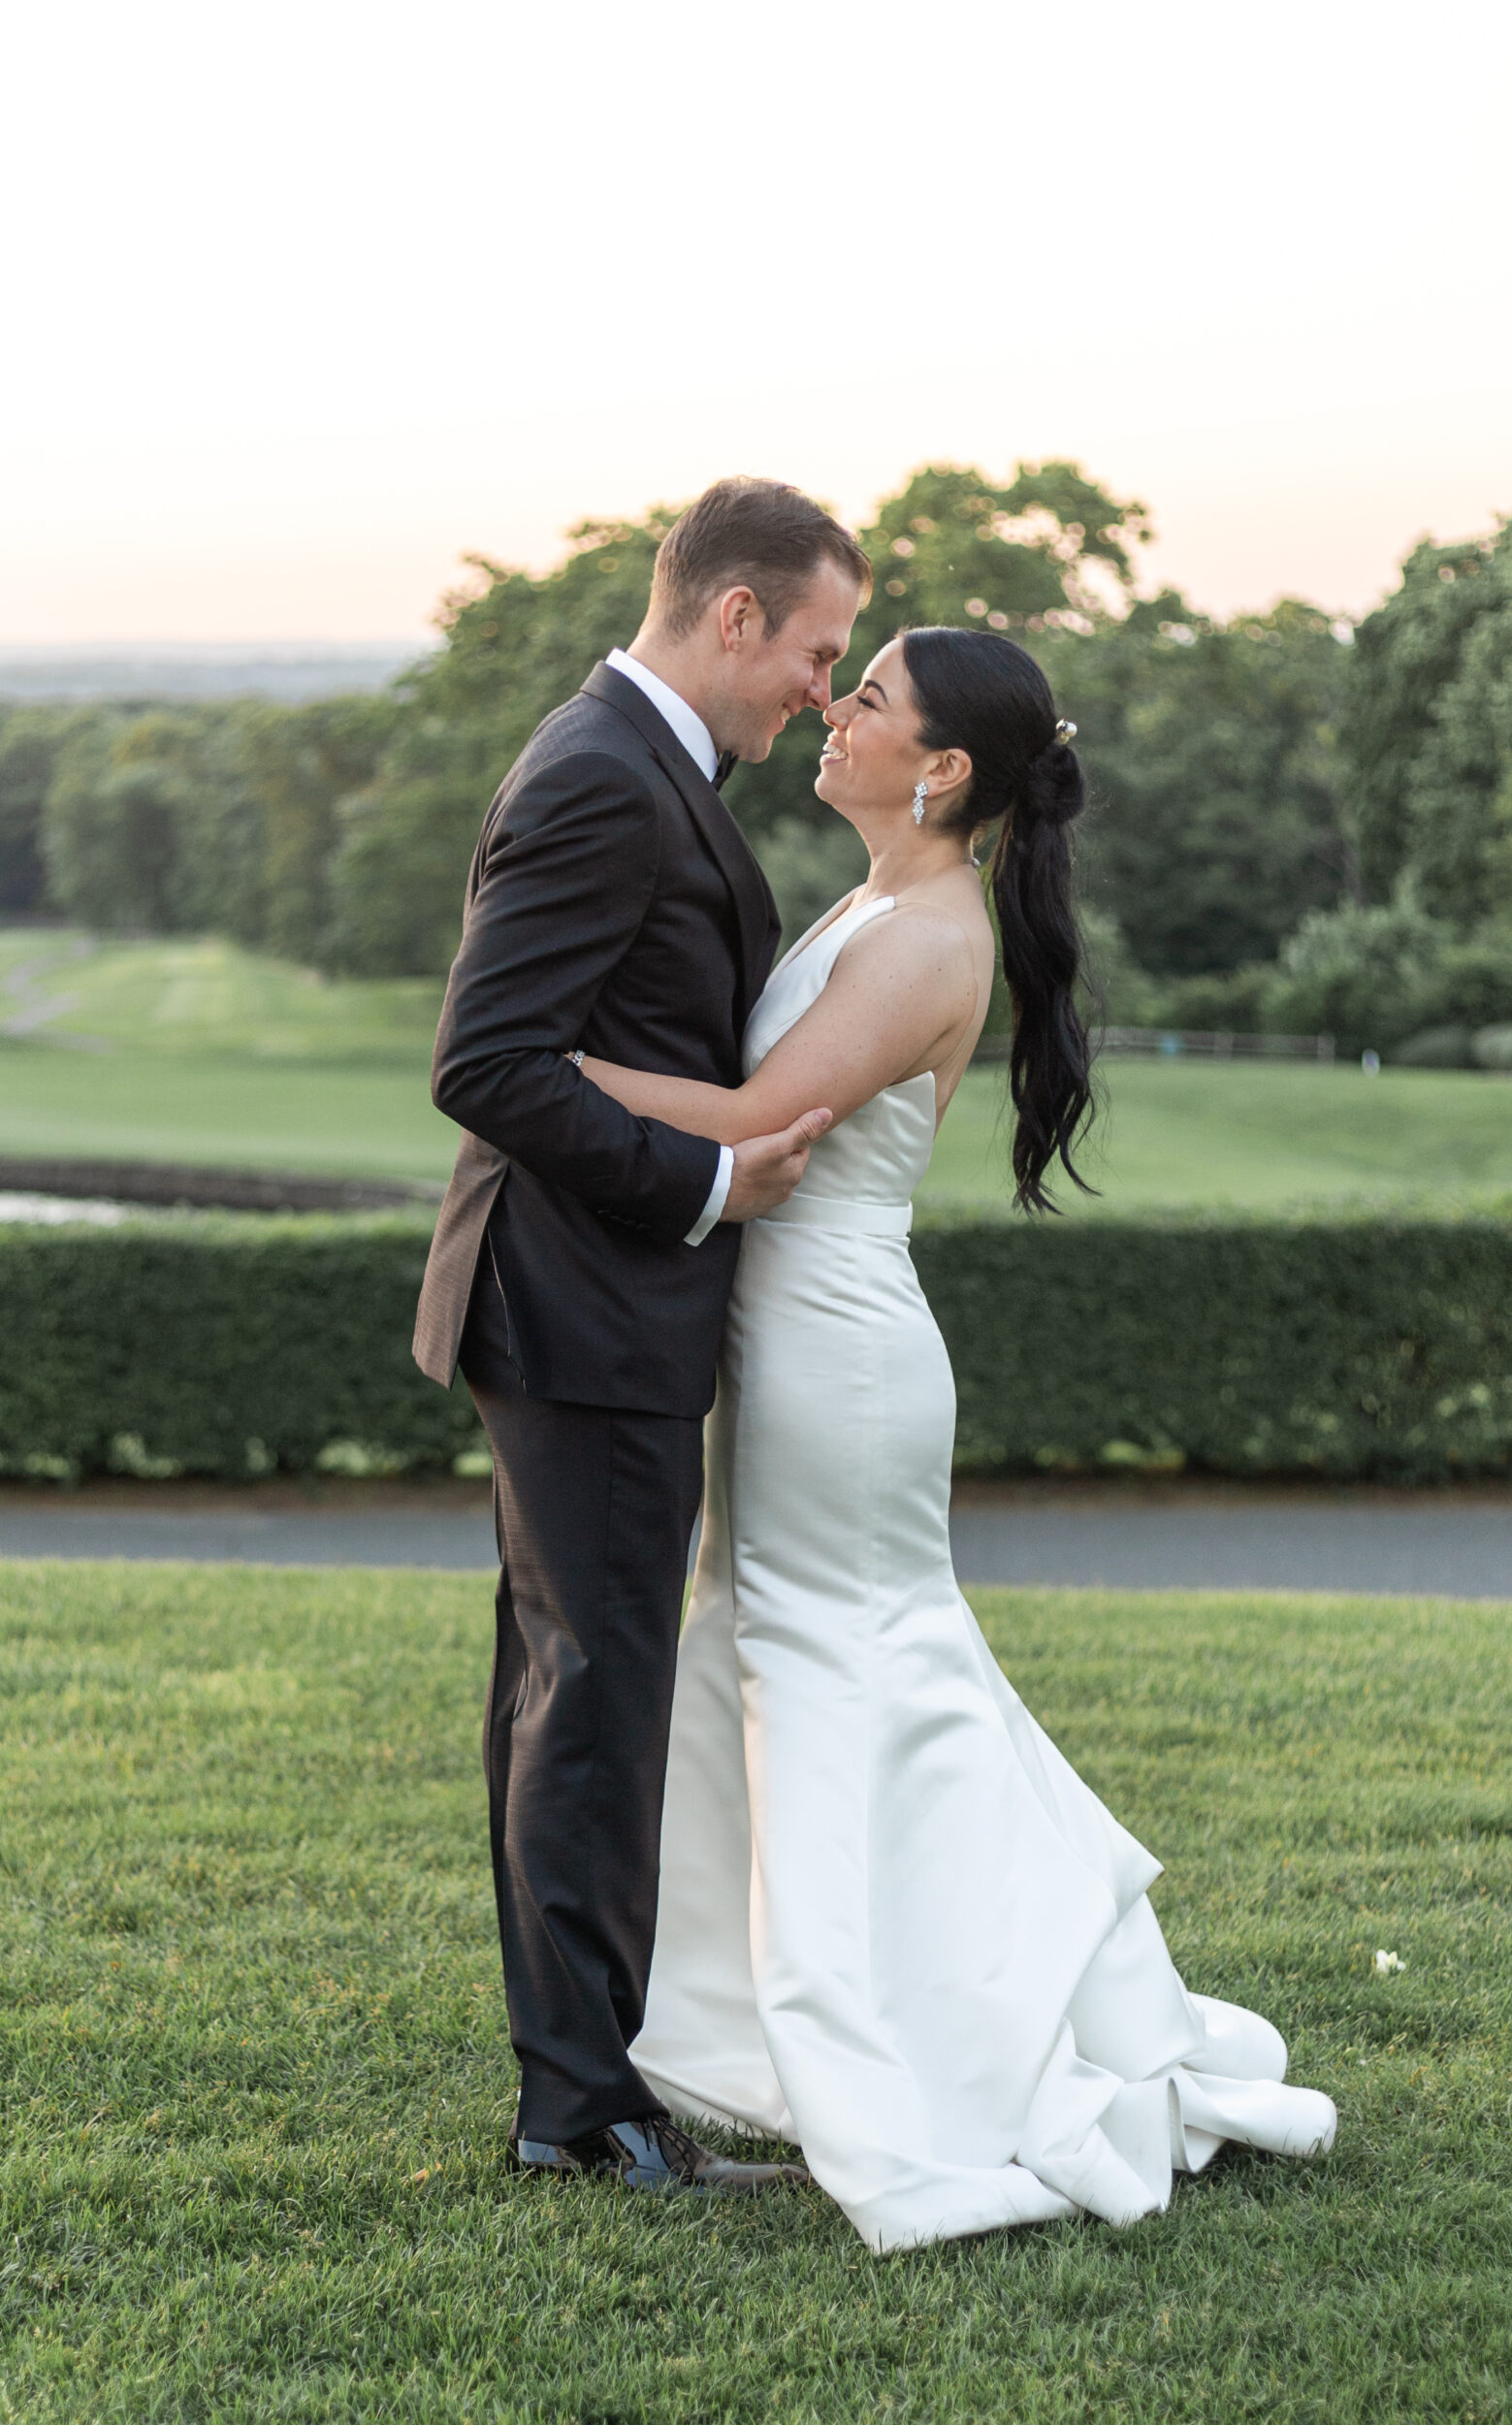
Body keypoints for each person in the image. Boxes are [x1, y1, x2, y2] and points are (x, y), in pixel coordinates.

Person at [573, 624, 1337, 2250]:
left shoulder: (925, 936)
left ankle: (931, 2041)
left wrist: (540, 1064)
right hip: (790, 1342)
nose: (831, 717)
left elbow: (757, 1125)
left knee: (852, 1675)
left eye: (866, 701)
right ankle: (806, 2011)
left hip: (837, 1362)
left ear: (940, 770)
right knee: (816, 1664)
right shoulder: (873, 904)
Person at [414, 478, 870, 2191]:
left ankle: (577, 2085)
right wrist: (707, 1181)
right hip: (582, 1303)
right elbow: (486, 1061)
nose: (818, 692)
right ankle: (582, 2111)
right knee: (589, 1694)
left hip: (583, 1306)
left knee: (567, 1685)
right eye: (815, 652)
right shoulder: (607, 773)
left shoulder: (639, 759)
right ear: (734, 615)